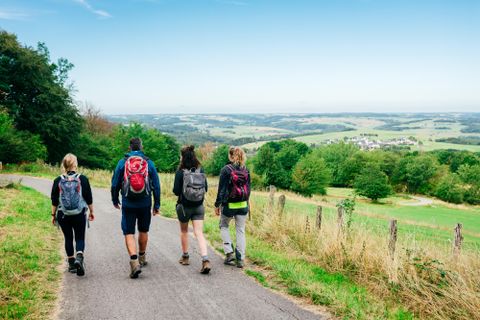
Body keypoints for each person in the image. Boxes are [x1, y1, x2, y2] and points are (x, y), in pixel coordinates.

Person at [111, 137, 161, 279]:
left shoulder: (123, 162)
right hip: (145, 202)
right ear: (141, 146)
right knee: (143, 230)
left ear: (130, 147)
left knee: (129, 232)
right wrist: (156, 204)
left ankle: (133, 262)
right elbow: (156, 185)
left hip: (128, 203)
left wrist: (115, 200)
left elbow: (115, 184)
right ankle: (142, 257)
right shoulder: (148, 162)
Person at [51, 153, 94, 276]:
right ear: (75, 164)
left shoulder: (58, 180)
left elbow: (54, 200)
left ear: (64, 165)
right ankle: (79, 257)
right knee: (80, 237)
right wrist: (92, 211)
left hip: (63, 214)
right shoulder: (83, 179)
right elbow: (88, 197)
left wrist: (53, 215)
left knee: (68, 238)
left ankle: (71, 263)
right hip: (79, 213)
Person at [173, 145, 211, 274]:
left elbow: (176, 191)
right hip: (199, 207)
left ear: (182, 157)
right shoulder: (200, 170)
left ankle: (185, 257)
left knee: (184, 231)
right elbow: (205, 188)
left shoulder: (180, 172)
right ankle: (205, 260)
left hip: (184, 207)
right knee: (199, 233)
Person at [214, 146, 251, 268]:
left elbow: (222, 189)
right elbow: (249, 189)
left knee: (223, 225)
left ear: (230, 156)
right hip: (243, 205)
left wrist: (217, 204)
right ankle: (240, 259)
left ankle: (229, 252)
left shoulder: (226, 169)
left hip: (229, 205)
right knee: (240, 230)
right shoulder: (246, 170)